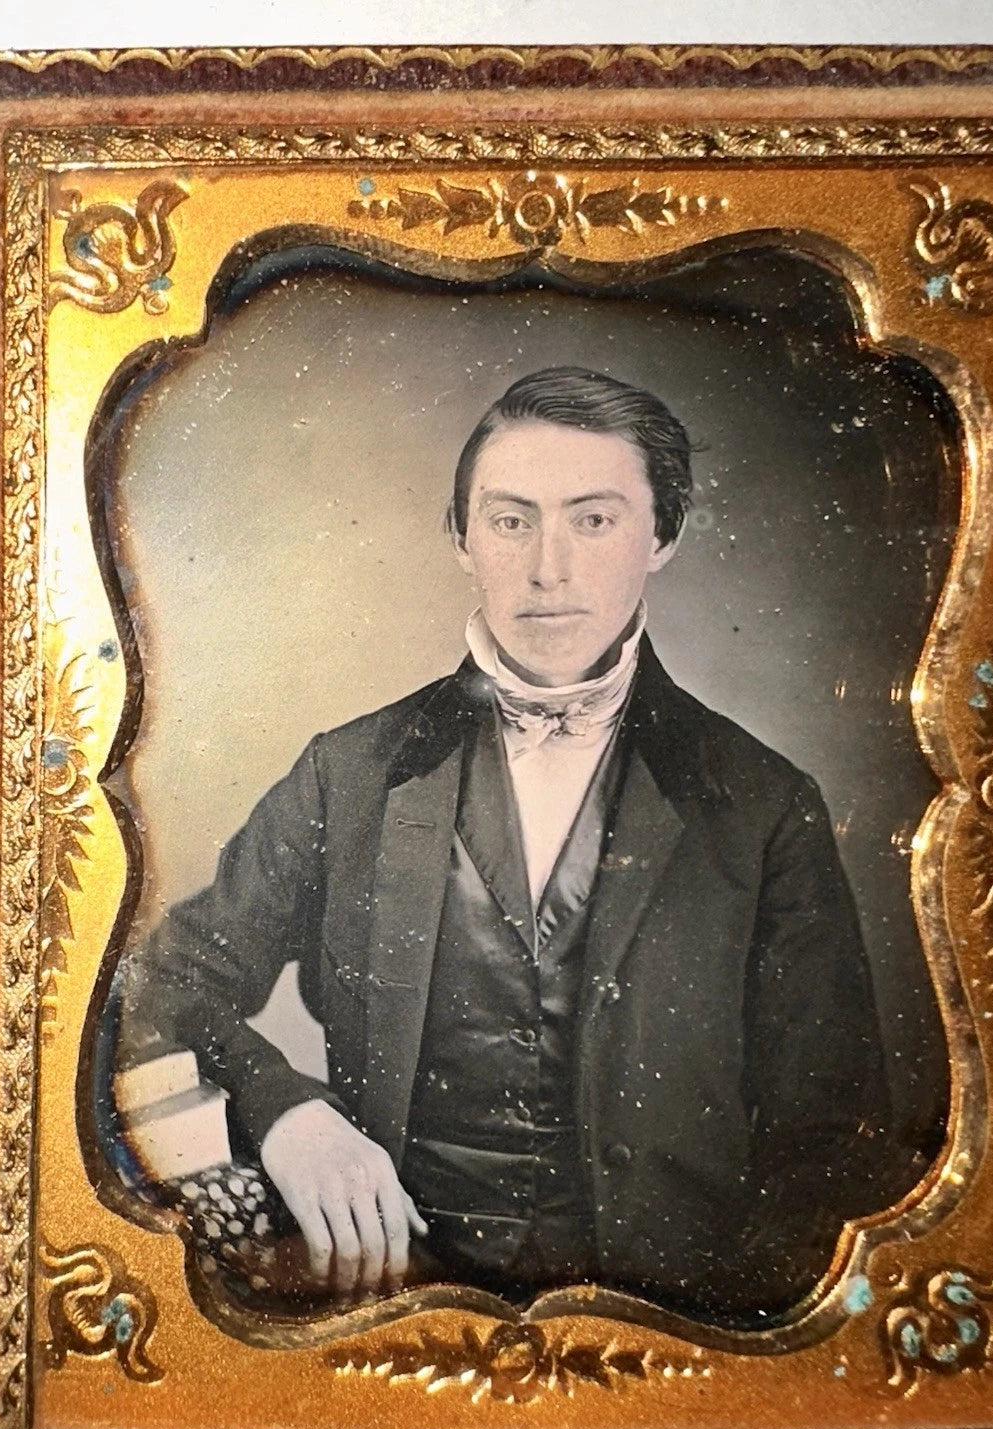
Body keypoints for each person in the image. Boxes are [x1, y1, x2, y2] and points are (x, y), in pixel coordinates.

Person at [118, 366, 906, 1328]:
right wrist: (286, 1111)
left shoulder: (765, 804)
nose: (547, 570)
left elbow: (833, 1143)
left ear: (663, 536)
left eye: (594, 520)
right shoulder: (348, 773)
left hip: (675, 1332)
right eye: (509, 520)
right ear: (461, 538)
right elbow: (160, 988)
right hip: (392, 1312)